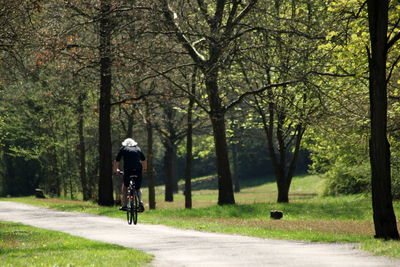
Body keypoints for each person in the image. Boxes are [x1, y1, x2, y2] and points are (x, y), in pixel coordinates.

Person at [113, 138, 146, 212]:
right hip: (138, 170)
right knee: (137, 188)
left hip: (128, 170)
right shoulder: (137, 148)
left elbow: (116, 160)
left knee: (125, 187)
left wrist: (116, 170)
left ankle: (124, 205)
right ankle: (140, 202)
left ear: (124, 144)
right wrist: (144, 169)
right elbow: (144, 160)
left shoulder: (123, 149)